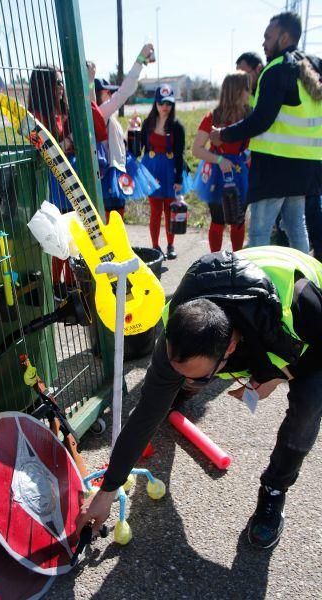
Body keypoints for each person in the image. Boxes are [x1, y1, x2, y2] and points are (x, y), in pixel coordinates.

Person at [76, 246, 322, 550]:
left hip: (304, 325)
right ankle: (180, 394)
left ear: (230, 351)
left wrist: (276, 376)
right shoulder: (178, 326)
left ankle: (274, 489)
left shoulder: (301, 308)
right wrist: (107, 491)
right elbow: (143, 416)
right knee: (164, 394)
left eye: (198, 377)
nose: (188, 378)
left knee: (309, 407)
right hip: (239, 308)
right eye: (182, 373)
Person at [210, 12, 322, 253]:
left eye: (267, 37)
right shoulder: (314, 65)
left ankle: (258, 288)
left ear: (284, 38)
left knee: (260, 232)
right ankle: (302, 283)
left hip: (275, 167)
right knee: (296, 228)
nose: (263, 43)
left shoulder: (277, 69)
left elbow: (261, 120)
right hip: (306, 168)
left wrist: (223, 134)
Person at [28, 64, 108, 291]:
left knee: (75, 234)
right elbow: (42, 151)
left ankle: (74, 286)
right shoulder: (36, 116)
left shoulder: (66, 111)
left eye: (63, 82)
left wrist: (87, 85)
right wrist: (69, 142)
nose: (62, 87)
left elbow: (97, 126)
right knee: (58, 236)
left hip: (73, 181)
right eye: (58, 82)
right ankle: (56, 286)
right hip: (54, 183)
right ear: (45, 86)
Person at [92, 44, 159, 224]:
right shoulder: (101, 112)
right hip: (108, 178)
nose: (111, 94)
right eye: (108, 92)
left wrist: (130, 132)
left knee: (115, 222)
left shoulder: (105, 116)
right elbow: (125, 90)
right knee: (112, 224)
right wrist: (140, 61)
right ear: (101, 94)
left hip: (114, 174)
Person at [192, 71, 251, 252]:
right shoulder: (213, 116)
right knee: (218, 220)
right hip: (217, 174)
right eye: (247, 88)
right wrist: (219, 159)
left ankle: (237, 260)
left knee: (238, 221)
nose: (250, 92)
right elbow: (196, 149)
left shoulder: (250, 114)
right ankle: (215, 260)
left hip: (241, 173)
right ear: (237, 91)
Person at [141, 84, 192, 260]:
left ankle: (171, 245)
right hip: (151, 172)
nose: (165, 107)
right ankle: (155, 246)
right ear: (155, 103)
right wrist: (131, 133)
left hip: (171, 172)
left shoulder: (177, 126)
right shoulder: (147, 123)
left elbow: (180, 154)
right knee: (155, 211)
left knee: (171, 210)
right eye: (161, 103)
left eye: (168, 103)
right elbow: (137, 148)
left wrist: (178, 178)